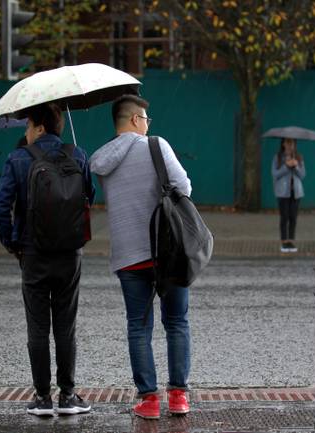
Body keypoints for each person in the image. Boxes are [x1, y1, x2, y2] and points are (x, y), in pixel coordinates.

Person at [89, 95, 192, 419]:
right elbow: (184, 187)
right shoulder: (156, 146)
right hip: (166, 252)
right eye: (146, 118)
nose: (149, 125)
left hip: (128, 256)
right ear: (135, 120)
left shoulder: (101, 161)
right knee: (176, 322)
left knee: (138, 327)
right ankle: (177, 397)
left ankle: (148, 400)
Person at [0, 103, 96, 416]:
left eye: (27, 126)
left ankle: (42, 398)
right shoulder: (77, 154)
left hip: (32, 252)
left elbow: (0, 209)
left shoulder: (19, 158)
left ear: (38, 127)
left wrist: (13, 243)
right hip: (69, 253)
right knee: (66, 327)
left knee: (37, 328)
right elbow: (90, 197)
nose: (25, 133)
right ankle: (68, 395)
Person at [271, 137, 305, 253]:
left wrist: (295, 166)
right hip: (282, 192)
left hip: (296, 193)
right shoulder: (278, 158)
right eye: (288, 142)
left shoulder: (299, 157)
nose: (290, 145)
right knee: (284, 217)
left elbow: (302, 175)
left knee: (293, 217)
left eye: (293, 143)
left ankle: (291, 240)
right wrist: (286, 166)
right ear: (283, 144)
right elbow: (275, 174)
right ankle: (284, 241)